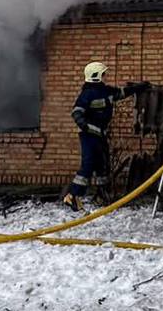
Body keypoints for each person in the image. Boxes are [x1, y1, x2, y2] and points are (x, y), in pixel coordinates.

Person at [64, 62, 149, 211]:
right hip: (89, 135)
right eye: (103, 74)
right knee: (88, 164)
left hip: (100, 135)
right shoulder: (87, 93)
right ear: (96, 76)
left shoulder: (105, 91)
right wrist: (85, 125)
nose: (105, 77)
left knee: (103, 165)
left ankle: (102, 195)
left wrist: (139, 87)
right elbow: (76, 112)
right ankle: (72, 195)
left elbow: (121, 93)